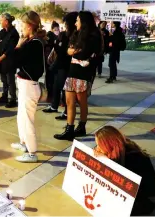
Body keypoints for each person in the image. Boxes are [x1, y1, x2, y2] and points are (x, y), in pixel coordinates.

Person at [54, 11, 102, 141]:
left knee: (82, 101)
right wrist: (76, 51)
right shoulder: (76, 34)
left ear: (84, 22)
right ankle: (69, 128)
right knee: (69, 101)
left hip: (84, 73)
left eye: (78, 20)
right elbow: (68, 50)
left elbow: (84, 54)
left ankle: (81, 126)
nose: (75, 23)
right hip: (73, 70)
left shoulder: (94, 36)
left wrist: (76, 51)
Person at [94, 126, 155, 216]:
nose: (97, 148)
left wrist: (106, 161)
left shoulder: (133, 158)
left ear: (108, 145)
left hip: (144, 201)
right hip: (138, 195)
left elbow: (124, 185)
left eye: (99, 145)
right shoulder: (122, 149)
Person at [10, 11, 45, 163]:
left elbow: (15, 60)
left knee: (27, 119)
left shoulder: (34, 43)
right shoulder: (31, 41)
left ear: (30, 25)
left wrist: (18, 46)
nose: (21, 27)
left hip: (29, 86)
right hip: (24, 84)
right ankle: (24, 143)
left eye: (22, 24)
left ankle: (32, 152)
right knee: (21, 117)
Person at [43, 12, 79, 121]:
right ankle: (54, 106)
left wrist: (60, 46)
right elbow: (59, 48)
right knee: (56, 86)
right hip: (60, 64)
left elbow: (65, 50)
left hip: (68, 66)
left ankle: (67, 112)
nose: (65, 25)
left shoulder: (76, 36)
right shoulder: (64, 34)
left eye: (67, 23)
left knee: (66, 90)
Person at [0, 13, 20, 108]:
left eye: (1, 20)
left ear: (6, 21)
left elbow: (11, 48)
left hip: (9, 61)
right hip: (1, 61)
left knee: (10, 81)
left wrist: (1, 57)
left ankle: (13, 99)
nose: (0, 22)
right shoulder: (2, 32)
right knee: (3, 80)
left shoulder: (14, 33)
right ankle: (4, 96)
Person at [45, 21, 60, 101]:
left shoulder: (56, 36)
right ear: (52, 29)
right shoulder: (49, 35)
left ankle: (51, 94)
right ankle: (50, 94)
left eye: (58, 29)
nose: (57, 30)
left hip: (53, 60)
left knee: (52, 78)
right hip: (50, 60)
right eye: (56, 29)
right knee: (50, 78)